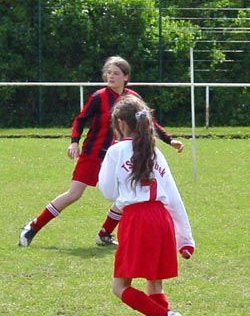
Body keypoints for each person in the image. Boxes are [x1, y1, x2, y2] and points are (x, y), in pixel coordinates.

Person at [18, 56, 185, 248]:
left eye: (116, 73)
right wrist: (74, 142)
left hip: (121, 156)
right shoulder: (99, 97)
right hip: (93, 154)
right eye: (108, 72)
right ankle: (33, 227)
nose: (110, 76)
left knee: (127, 194)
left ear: (126, 77)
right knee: (74, 194)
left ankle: (104, 234)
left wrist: (170, 140)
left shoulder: (132, 99)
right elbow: (80, 119)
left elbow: (148, 121)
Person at [98, 94, 194, 316]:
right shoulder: (155, 151)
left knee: (120, 286)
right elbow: (173, 195)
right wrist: (185, 238)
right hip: (161, 218)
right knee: (155, 283)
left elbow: (107, 191)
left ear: (120, 123)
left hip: (136, 219)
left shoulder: (116, 151)